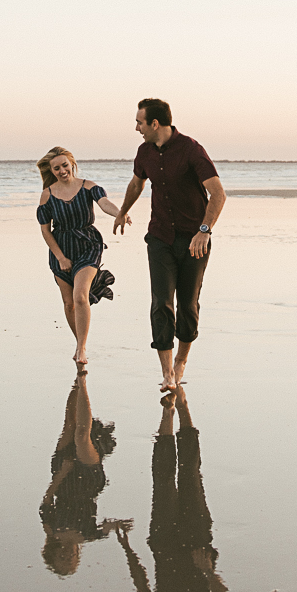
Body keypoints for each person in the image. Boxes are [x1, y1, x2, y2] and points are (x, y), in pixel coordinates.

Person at [113, 385, 225, 592]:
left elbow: (141, 584)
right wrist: (207, 571)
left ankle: (168, 412)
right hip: (195, 543)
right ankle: (184, 407)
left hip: (162, 543)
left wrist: (127, 548)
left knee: (162, 478)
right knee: (190, 473)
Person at [110, 99, 225, 391]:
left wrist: (204, 231)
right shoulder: (144, 152)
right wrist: (123, 211)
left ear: (155, 124)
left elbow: (218, 194)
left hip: (193, 240)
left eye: (140, 122)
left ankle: (181, 362)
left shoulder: (191, 149)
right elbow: (137, 184)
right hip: (160, 237)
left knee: (187, 305)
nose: (137, 128)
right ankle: (167, 374)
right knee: (161, 303)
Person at [35, 146, 122, 370]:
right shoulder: (48, 194)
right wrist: (61, 258)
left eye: (65, 165)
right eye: (57, 168)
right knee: (69, 303)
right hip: (61, 247)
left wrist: (120, 213)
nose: (62, 170)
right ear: (51, 171)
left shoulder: (88, 186)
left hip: (88, 244)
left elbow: (104, 203)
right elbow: (46, 231)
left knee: (81, 296)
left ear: (72, 164)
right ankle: (78, 343)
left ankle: (82, 348)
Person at [39, 369, 126, 576]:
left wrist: (61, 473)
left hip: (64, 478)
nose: (69, 556)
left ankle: (76, 383)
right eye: (72, 560)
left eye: (63, 559)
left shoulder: (52, 531)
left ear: (53, 553)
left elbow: (46, 502)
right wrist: (117, 526)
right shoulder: (87, 536)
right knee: (81, 436)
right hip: (88, 482)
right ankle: (84, 384)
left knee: (69, 425)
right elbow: (107, 527)